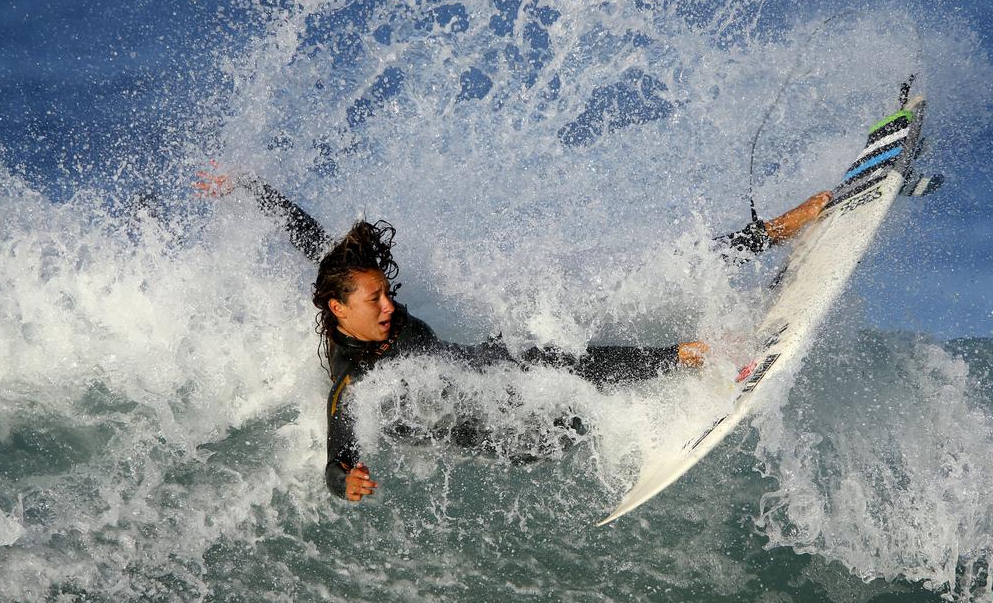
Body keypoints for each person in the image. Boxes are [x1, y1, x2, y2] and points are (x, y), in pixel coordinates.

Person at [194, 165, 830, 502]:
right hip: (514, 431)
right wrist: (347, 479)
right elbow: (337, 453)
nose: (389, 305)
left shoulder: (353, 291)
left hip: (494, 367)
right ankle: (680, 369)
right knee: (559, 372)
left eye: (387, 292)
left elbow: (310, 238)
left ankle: (770, 235)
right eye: (375, 300)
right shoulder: (352, 381)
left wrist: (250, 187)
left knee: (565, 334)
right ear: (338, 310)